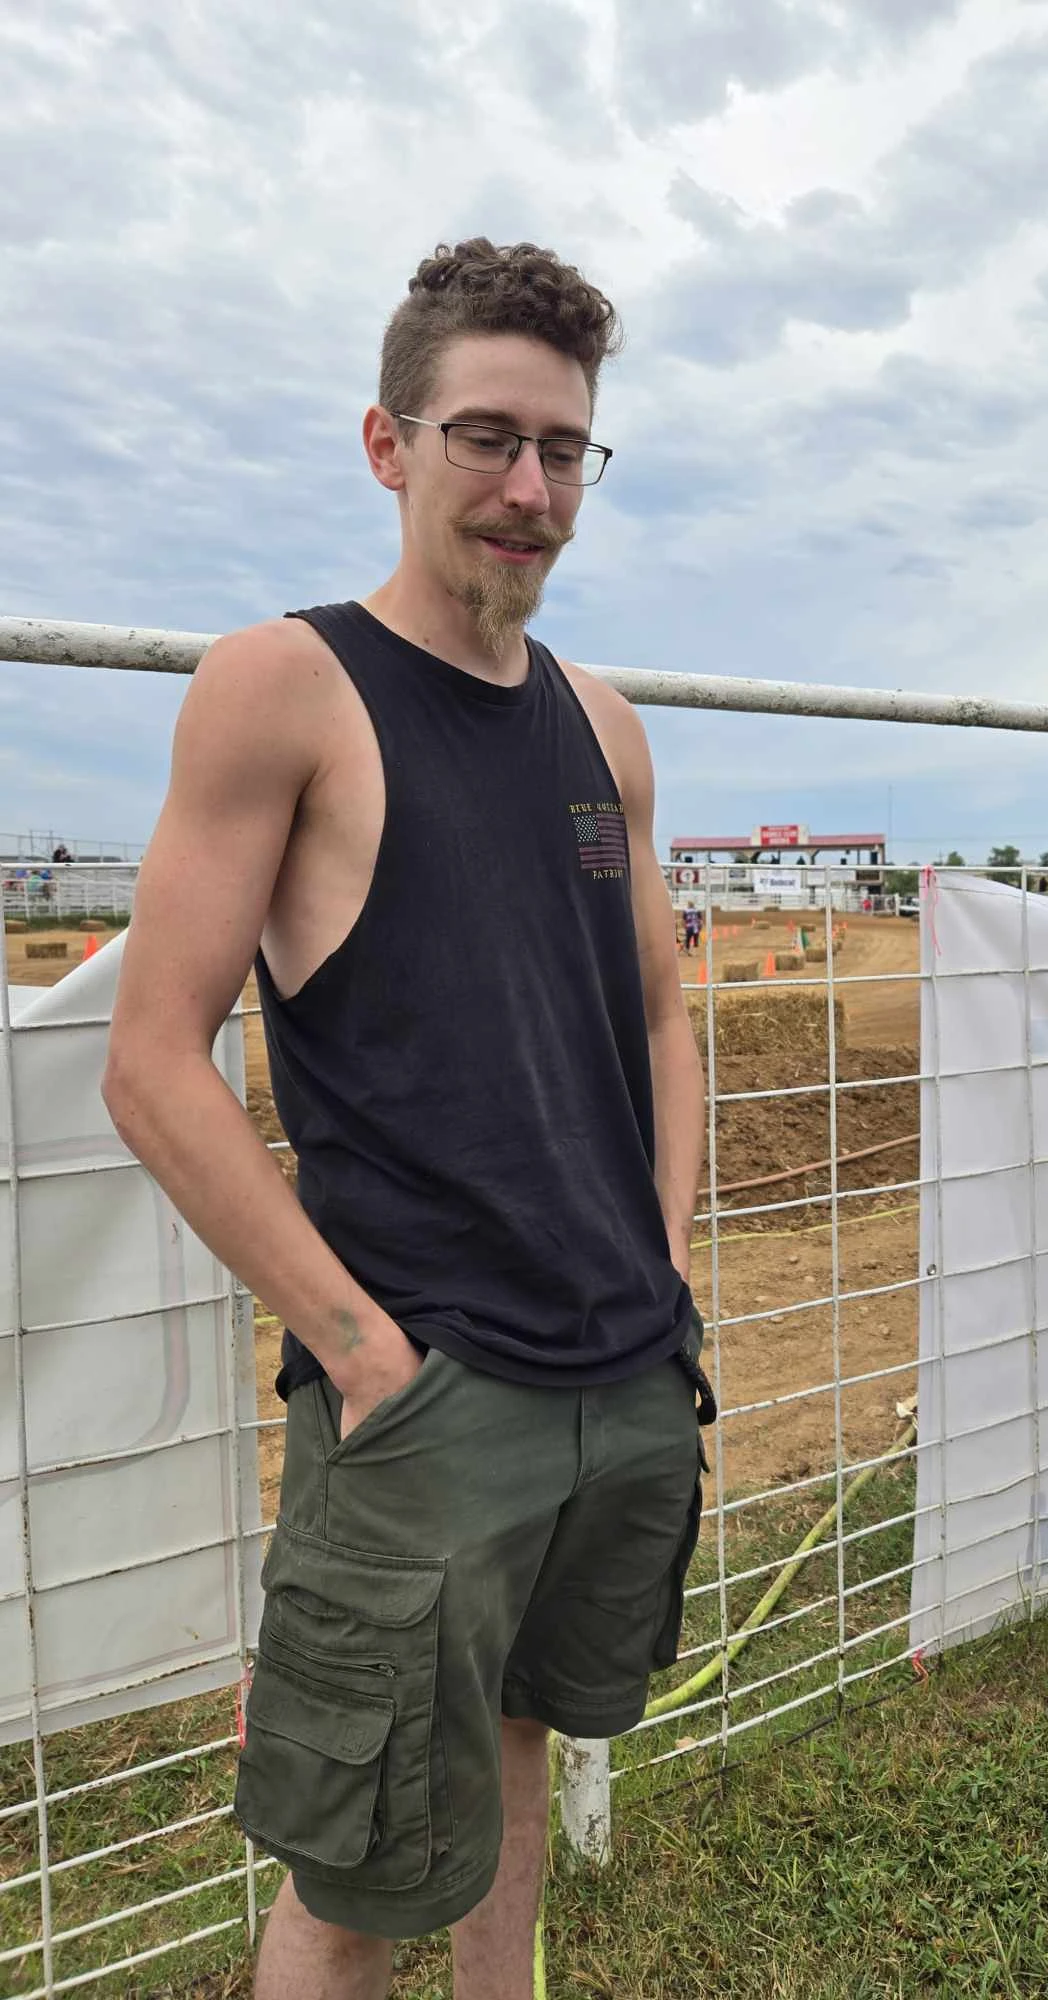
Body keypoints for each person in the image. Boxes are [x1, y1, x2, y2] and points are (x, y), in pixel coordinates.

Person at [103, 239, 709, 2000]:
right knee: (358, 1874)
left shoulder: (607, 728)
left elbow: (664, 1014)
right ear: (390, 443)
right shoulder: (282, 688)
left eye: (568, 449)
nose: (530, 488)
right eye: (487, 438)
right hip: (428, 1401)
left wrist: (664, 1262)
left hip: (622, 1371)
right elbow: (152, 1062)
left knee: (522, 1751)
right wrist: (364, 1356)